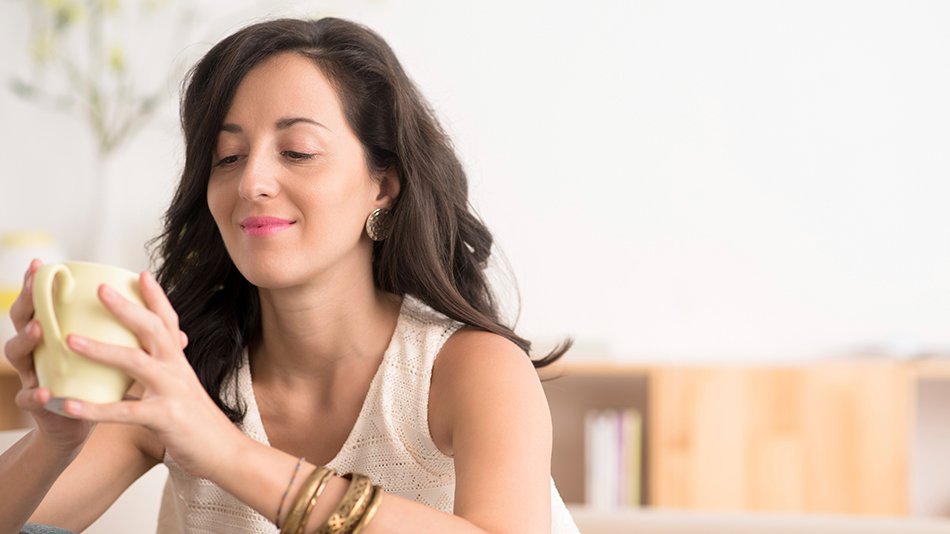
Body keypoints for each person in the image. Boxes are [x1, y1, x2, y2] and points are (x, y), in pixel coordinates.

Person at [0, 17, 579, 534]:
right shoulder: (186, 375)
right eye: (227, 157)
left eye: (297, 151)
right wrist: (55, 443)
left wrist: (224, 451)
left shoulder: (470, 371)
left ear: (383, 185)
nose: (251, 182)